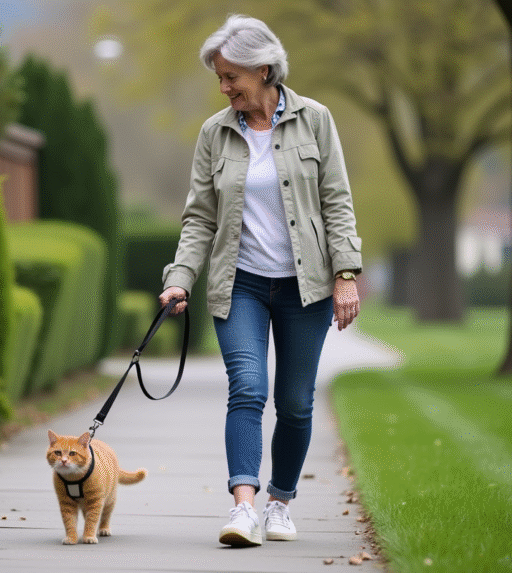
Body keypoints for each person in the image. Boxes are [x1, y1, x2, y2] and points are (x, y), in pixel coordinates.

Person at [159, 14, 363, 547]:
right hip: (241, 284)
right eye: (220, 79)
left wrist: (345, 275)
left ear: (264, 69)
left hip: (305, 288)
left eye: (232, 77)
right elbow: (200, 216)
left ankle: (279, 502)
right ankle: (243, 509)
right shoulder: (215, 132)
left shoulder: (315, 120)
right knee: (247, 389)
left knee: (295, 402)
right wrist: (180, 278)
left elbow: (336, 201)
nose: (224, 88)